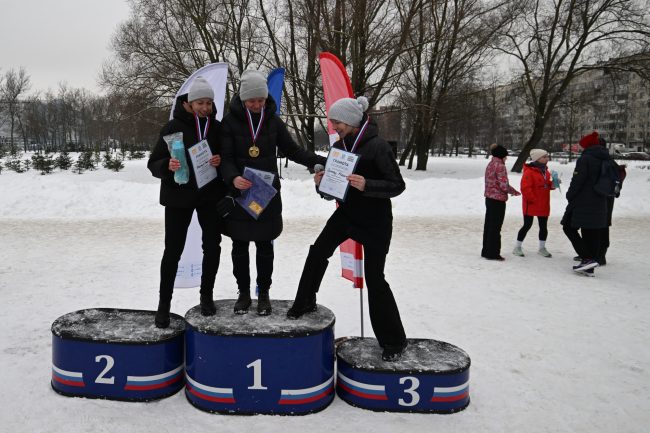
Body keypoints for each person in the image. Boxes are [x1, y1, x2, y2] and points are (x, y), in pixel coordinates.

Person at [286, 96, 408, 362]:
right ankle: (304, 302)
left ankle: (394, 341)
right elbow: (332, 191)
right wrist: (322, 184)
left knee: (375, 279)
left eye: (338, 122)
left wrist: (368, 185)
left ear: (352, 121)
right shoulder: (339, 147)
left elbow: (397, 185)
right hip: (347, 215)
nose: (334, 126)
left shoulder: (377, 146)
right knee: (318, 252)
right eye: (332, 122)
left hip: (375, 221)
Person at [218, 69, 326, 316]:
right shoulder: (229, 122)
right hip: (240, 194)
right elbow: (225, 157)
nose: (257, 104)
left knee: (265, 246)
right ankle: (243, 293)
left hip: (266, 196)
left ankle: (264, 293)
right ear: (243, 98)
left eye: (261, 100)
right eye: (252, 100)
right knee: (240, 247)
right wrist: (233, 178)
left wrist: (319, 160)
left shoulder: (273, 121)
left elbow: (292, 150)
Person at [148, 77, 227, 328]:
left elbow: (228, 156)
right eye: (201, 103)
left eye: (209, 103)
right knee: (173, 250)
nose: (205, 107)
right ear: (190, 104)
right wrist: (166, 166)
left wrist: (219, 159)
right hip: (178, 196)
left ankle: (206, 297)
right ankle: (164, 306)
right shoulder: (173, 127)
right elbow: (154, 163)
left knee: (212, 245)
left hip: (209, 194)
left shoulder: (216, 128)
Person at [561, 131, 609, 275]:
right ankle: (589, 267)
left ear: (587, 146)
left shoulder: (586, 159)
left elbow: (577, 181)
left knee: (568, 227)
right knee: (591, 232)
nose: (581, 149)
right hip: (600, 200)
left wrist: (570, 195)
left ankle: (587, 259)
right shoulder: (605, 157)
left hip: (583, 201)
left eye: (582, 146)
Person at [513, 148, 555, 258]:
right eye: (544, 157)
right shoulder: (529, 172)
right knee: (527, 225)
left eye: (547, 156)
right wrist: (533, 200)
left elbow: (546, 184)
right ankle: (517, 247)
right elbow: (525, 188)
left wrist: (553, 184)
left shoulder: (546, 171)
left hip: (544, 203)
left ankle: (542, 248)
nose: (547, 158)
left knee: (543, 226)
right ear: (537, 159)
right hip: (531, 204)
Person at [482, 144, 520, 261]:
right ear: (502, 156)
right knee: (496, 227)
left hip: (489, 198)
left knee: (489, 225)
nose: (506, 158)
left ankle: (486, 251)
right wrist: (513, 191)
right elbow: (503, 185)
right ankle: (493, 253)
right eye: (506, 156)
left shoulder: (491, 164)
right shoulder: (500, 166)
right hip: (497, 200)